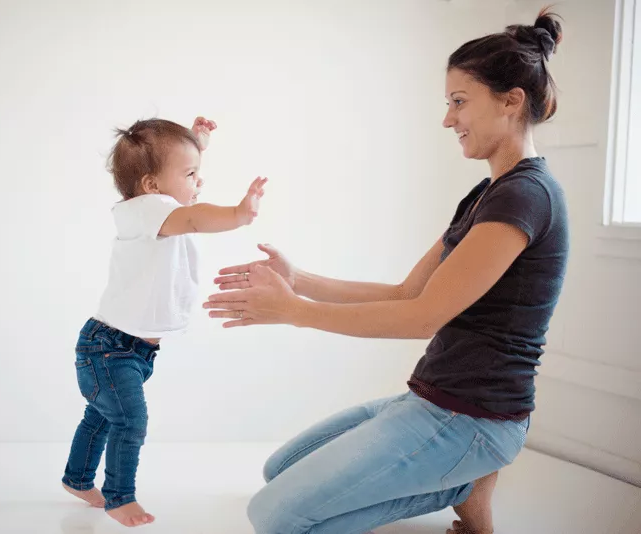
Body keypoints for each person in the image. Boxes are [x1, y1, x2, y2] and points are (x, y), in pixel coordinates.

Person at [204, 8, 567, 534]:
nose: (448, 119)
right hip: (430, 398)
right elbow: (408, 293)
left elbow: (422, 320)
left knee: (276, 517)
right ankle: (462, 482)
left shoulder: (525, 197)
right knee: (277, 472)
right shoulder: (488, 194)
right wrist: (298, 281)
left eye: (459, 102)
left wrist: (292, 312)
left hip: (473, 419)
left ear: (511, 100)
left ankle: (466, 479)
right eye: (449, 103)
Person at [62, 116, 267, 527]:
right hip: (111, 349)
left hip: (124, 347)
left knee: (103, 416)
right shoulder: (152, 210)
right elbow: (194, 218)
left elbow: (179, 192)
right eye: (191, 174)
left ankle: (77, 479)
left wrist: (198, 143)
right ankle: (120, 497)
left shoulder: (152, 207)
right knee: (130, 422)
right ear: (152, 186)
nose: (199, 182)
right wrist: (238, 213)